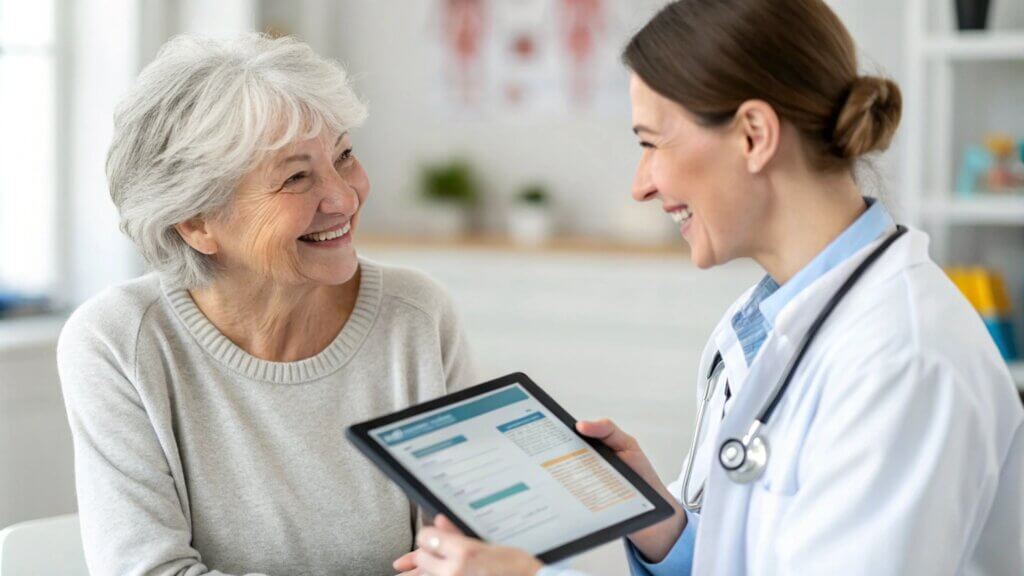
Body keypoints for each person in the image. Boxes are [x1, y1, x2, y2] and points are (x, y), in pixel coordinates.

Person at [393, 0, 1024, 574]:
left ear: (754, 135)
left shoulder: (901, 360)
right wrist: (664, 525)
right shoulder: (766, 320)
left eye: (651, 143)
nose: (640, 185)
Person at [57, 34, 476, 575]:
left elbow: (468, 551)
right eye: (296, 177)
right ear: (196, 223)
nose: (344, 198)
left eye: (344, 156)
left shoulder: (417, 314)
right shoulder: (119, 341)